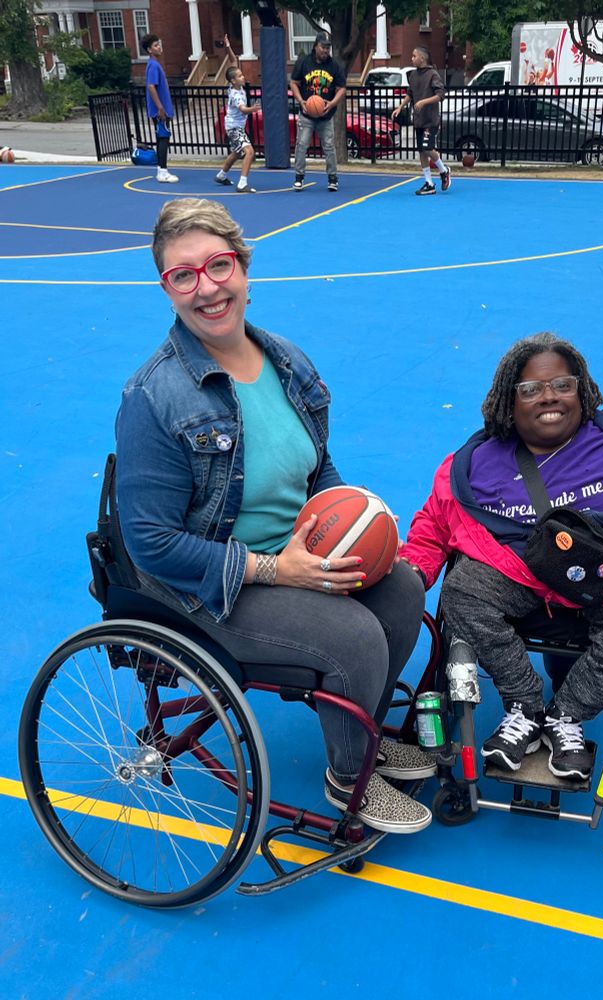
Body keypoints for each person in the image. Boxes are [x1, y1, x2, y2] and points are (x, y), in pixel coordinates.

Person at [115, 198, 434, 834]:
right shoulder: (155, 395)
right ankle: (351, 776)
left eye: (218, 265)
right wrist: (275, 568)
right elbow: (149, 542)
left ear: (243, 266)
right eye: (184, 275)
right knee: (354, 635)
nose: (207, 288)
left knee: (400, 587)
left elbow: (317, 469)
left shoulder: (285, 360)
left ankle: (361, 727)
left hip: (292, 554)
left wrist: (358, 523)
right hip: (208, 583)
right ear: (166, 288)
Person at [401, 333, 603, 779]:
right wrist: (405, 579)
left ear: (583, 390)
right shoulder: (476, 463)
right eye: (530, 389)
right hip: (521, 584)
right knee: (462, 590)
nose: (549, 397)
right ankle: (525, 705)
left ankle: (566, 716)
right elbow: (433, 528)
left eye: (563, 385)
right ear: (507, 403)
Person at [290, 31, 346, 192]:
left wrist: (333, 103)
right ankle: (299, 177)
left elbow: (341, 88)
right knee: (301, 144)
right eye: (323, 47)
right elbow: (294, 82)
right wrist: (301, 101)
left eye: (328, 48)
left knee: (329, 146)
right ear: (315, 46)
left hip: (326, 114)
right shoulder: (304, 62)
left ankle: (332, 178)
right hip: (307, 113)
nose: (326, 51)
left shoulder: (334, 65)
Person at [392, 46, 451, 196]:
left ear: (422, 58)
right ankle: (429, 183)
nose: (411, 59)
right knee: (421, 151)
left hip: (430, 120)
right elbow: (410, 94)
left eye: (414, 56)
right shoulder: (412, 75)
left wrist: (424, 102)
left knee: (427, 147)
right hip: (418, 120)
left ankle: (444, 171)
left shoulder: (433, 74)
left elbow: (441, 95)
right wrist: (400, 107)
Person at [214, 35, 261, 193]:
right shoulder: (235, 94)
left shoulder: (235, 86)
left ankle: (221, 175)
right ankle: (242, 183)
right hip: (234, 127)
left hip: (234, 126)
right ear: (234, 80)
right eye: (240, 76)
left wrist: (228, 47)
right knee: (249, 151)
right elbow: (242, 109)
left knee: (236, 152)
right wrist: (252, 109)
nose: (243, 77)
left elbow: (233, 61)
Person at [141, 34, 178, 184]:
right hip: (160, 110)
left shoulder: (154, 64)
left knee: (161, 137)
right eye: (156, 45)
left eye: (159, 44)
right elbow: (151, 86)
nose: (159, 47)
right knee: (163, 138)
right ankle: (163, 171)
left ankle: (160, 169)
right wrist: (160, 108)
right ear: (149, 50)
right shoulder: (153, 66)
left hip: (162, 108)